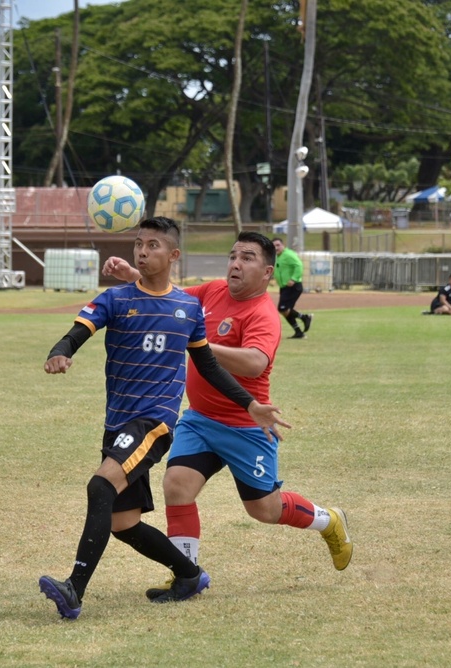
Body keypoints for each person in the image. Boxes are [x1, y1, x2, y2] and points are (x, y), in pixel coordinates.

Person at [39, 217, 289, 620]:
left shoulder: (188, 308)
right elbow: (78, 331)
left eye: (153, 245)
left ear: (173, 255)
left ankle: (74, 589)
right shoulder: (115, 299)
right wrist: (60, 351)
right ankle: (189, 574)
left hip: (153, 422)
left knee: (101, 486)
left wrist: (250, 405)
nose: (142, 251)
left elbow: (208, 365)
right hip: (118, 422)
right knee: (123, 523)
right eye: (139, 243)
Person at [103, 232, 352, 600]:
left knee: (264, 510)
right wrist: (130, 276)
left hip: (246, 426)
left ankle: (328, 520)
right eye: (233, 255)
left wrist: (198, 343)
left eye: (247, 258)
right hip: (200, 420)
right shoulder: (215, 290)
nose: (236, 263)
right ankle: (186, 574)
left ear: (267, 272)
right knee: (176, 486)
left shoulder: (263, 314)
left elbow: (255, 362)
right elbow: (174, 298)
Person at [272, 237, 312, 339]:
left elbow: (299, 265)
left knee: (283, 308)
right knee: (285, 310)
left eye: (278, 245)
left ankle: (305, 317)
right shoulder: (277, 256)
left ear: (283, 245)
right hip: (284, 287)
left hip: (293, 286)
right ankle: (299, 332)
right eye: (274, 246)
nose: (276, 248)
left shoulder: (288, 254)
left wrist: (293, 279)